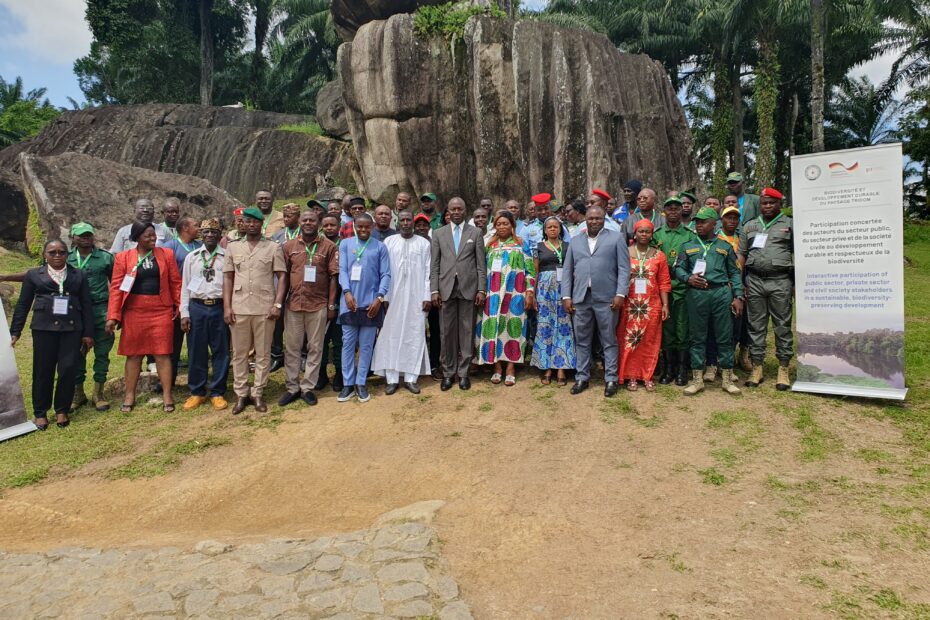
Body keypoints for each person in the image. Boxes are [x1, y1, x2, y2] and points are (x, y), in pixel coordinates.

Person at [10, 240, 94, 430]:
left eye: (61, 252)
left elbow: (87, 305)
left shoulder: (78, 275)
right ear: (45, 255)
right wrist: (16, 331)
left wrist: (88, 333)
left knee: (68, 368)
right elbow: (23, 304)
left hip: (71, 329)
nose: (57, 256)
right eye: (52, 252)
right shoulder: (33, 275)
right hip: (43, 329)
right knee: (43, 370)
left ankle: (62, 409)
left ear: (67, 254)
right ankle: (40, 412)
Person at [106, 222, 182, 412]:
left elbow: (175, 282)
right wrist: (113, 316)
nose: (153, 238)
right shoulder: (123, 258)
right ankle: (129, 395)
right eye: (148, 236)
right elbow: (116, 288)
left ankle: (167, 394)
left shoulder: (167, 254)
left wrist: (181, 307)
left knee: (163, 353)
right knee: (134, 354)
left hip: (161, 310)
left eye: (154, 235)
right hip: (134, 311)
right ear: (137, 237)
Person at [561, 204, 630, 397]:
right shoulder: (575, 241)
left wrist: (620, 294)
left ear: (603, 219)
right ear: (585, 219)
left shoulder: (616, 238)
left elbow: (624, 269)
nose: (594, 221)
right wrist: (566, 296)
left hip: (607, 298)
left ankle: (611, 379)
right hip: (581, 298)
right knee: (582, 340)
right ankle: (582, 377)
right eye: (590, 218)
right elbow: (567, 271)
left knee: (608, 340)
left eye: (598, 218)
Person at [223, 207, 287, 414]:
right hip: (239, 307)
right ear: (242, 223)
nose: (251, 225)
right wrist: (227, 306)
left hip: (264, 308)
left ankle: (257, 392)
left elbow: (282, 277)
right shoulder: (233, 248)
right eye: (247, 221)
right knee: (240, 354)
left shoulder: (273, 247)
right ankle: (241, 394)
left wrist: (277, 304)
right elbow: (228, 277)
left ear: (261, 224)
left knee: (263, 353)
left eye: (255, 222)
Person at [673, 207, 743, 395]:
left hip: (720, 293)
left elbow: (735, 273)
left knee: (724, 336)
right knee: (697, 336)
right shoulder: (687, 246)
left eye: (703, 222)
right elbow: (678, 269)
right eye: (697, 222)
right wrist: (688, 278)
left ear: (714, 224)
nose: (699, 225)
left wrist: (738, 296)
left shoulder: (725, 247)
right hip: (696, 295)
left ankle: (727, 379)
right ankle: (697, 379)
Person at [277, 210, 339, 406]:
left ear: (318, 223)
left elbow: (333, 278)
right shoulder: (289, 246)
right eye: (305, 220)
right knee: (293, 348)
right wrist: (280, 303)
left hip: (318, 305)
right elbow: (284, 277)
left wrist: (330, 304)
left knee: (315, 347)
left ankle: (307, 387)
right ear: (300, 222)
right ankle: (292, 387)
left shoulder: (329, 246)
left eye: (312, 220)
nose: (308, 223)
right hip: (294, 305)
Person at [430, 197, 487, 391]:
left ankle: (463, 374)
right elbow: (435, 265)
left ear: (465, 211)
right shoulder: (438, 234)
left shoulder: (476, 233)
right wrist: (434, 289)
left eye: (459, 209)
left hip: (468, 289)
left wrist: (481, 289)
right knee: (446, 333)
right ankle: (448, 373)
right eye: (452, 209)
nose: (456, 212)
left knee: (467, 331)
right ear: (448, 211)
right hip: (445, 289)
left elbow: (481, 265)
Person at [740, 187, 794, 390]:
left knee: (782, 325)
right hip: (754, 281)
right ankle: (757, 366)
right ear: (760, 205)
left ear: (779, 204)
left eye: (772, 202)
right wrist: (740, 283)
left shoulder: (789, 225)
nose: (768, 206)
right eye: (764, 203)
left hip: (780, 281)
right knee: (756, 325)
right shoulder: (750, 225)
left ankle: (783, 368)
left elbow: (799, 255)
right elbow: (741, 256)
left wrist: (795, 284)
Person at [372, 211, 432, 394]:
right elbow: (384, 271)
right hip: (393, 297)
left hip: (416, 297)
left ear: (413, 223)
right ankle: (391, 378)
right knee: (391, 334)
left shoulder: (423, 243)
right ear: (398, 223)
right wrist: (385, 297)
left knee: (414, 333)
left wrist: (427, 296)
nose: (406, 223)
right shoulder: (389, 242)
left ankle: (411, 377)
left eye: (409, 220)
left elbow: (428, 271)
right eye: (403, 220)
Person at [476, 210, 536, 386]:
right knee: (494, 326)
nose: (502, 227)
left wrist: (529, 292)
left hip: (515, 293)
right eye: (498, 224)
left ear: (512, 226)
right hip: (492, 294)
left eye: (505, 224)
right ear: (494, 226)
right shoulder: (489, 245)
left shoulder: (520, 244)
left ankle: (510, 366)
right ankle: (496, 366)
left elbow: (530, 270)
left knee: (513, 328)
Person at [337, 213, 391, 403]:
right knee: (348, 344)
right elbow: (342, 270)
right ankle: (347, 384)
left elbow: (386, 274)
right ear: (354, 226)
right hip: (349, 303)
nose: (363, 230)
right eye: (359, 227)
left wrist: (379, 297)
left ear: (373, 227)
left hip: (371, 305)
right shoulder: (345, 244)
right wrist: (346, 292)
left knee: (367, 345)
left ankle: (361, 383)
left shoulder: (380, 247)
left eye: (367, 227)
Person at [179, 219, 230, 411]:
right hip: (197, 307)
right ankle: (197, 392)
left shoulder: (227, 257)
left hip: (219, 307)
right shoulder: (192, 257)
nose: (210, 235)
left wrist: (229, 309)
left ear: (220, 235)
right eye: (206, 232)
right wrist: (184, 313)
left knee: (221, 351)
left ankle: (217, 392)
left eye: (214, 232)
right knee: (196, 351)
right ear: (201, 234)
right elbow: (185, 287)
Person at [616, 219, 671, 391]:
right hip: (629, 304)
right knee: (630, 339)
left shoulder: (659, 256)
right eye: (641, 231)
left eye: (648, 231)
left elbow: (663, 282)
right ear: (635, 233)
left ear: (652, 234)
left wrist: (665, 305)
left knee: (650, 340)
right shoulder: (625, 252)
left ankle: (647, 375)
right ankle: (631, 375)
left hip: (651, 305)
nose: (644, 234)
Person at [68, 223, 115, 411]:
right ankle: (78, 393)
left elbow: (117, 285)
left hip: (100, 309)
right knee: (77, 353)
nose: (85, 238)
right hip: (75, 311)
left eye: (88, 234)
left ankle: (99, 392)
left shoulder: (105, 257)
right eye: (81, 235)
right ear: (73, 238)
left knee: (102, 353)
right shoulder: (66, 257)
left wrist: (114, 313)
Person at [653, 197, 697, 386]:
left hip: (682, 288)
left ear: (682, 211)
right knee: (666, 328)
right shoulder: (657, 234)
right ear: (664, 212)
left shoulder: (689, 235)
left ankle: (682, 369)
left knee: (682, 328)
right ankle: (668, 368)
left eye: (676, 208)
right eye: (669, 208)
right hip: (662, 289)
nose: (673, 212)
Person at [531, 216, 575, 385]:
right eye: (549, 227)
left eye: (555, 227)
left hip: (563, 289)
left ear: (560, 229)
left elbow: (572, 269)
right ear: (544, 230)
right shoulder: (538, 247)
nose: (552, 229)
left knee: (563, 326)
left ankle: (561, 367)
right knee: (545, 326)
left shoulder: (568, 247)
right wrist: (533, 294)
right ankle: (547, 366)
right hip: (544, 291)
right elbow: (535, 272)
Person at [704, 204, 743, 382]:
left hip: (733, 288)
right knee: (713, 329)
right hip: (716, 290)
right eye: (729, 217)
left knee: (730, 330)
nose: (732, 221)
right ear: (720, 221)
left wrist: (739, 292)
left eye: (735, 218)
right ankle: (711, 364)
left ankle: (726, 364)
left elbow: (737, 270)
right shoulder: (712, 238)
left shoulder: (741, 239)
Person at [162, 216, 203, 388]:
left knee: (196, 343)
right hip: (174, 301)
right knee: (173, 343)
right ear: (185, 228)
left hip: (195, 299)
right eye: (195, 225)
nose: (199, 228)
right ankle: (168, 380)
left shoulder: (199, 246)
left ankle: (198, 379)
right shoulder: (170, 247)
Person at [317, 213, 345, 390]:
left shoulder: (346, 244)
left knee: (339, 339)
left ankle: (339, 374)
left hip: (342, 298)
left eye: (332, 225)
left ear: (339, 225)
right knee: (319, 340)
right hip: (319, 298)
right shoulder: (317, 245)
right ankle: (320, 375)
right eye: (325, 225)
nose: (329, 228)